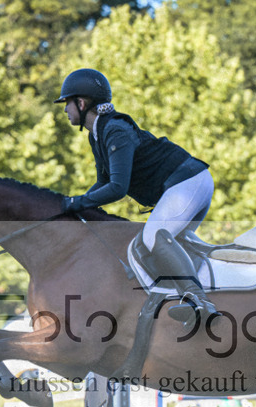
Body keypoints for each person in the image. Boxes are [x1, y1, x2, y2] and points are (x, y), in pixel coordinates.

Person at [55, 68, 217, 328]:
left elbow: (118, 189)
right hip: (188, 184)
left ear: (82, 103)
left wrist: (76, 202)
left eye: (67, 103)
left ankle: (200, 302)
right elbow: (103, 183)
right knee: (158, 249)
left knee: (153, 237)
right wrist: (80, 205)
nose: (65, 110)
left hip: (188, 183)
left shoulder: (115, 130)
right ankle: (179, 301)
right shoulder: (97, 133)